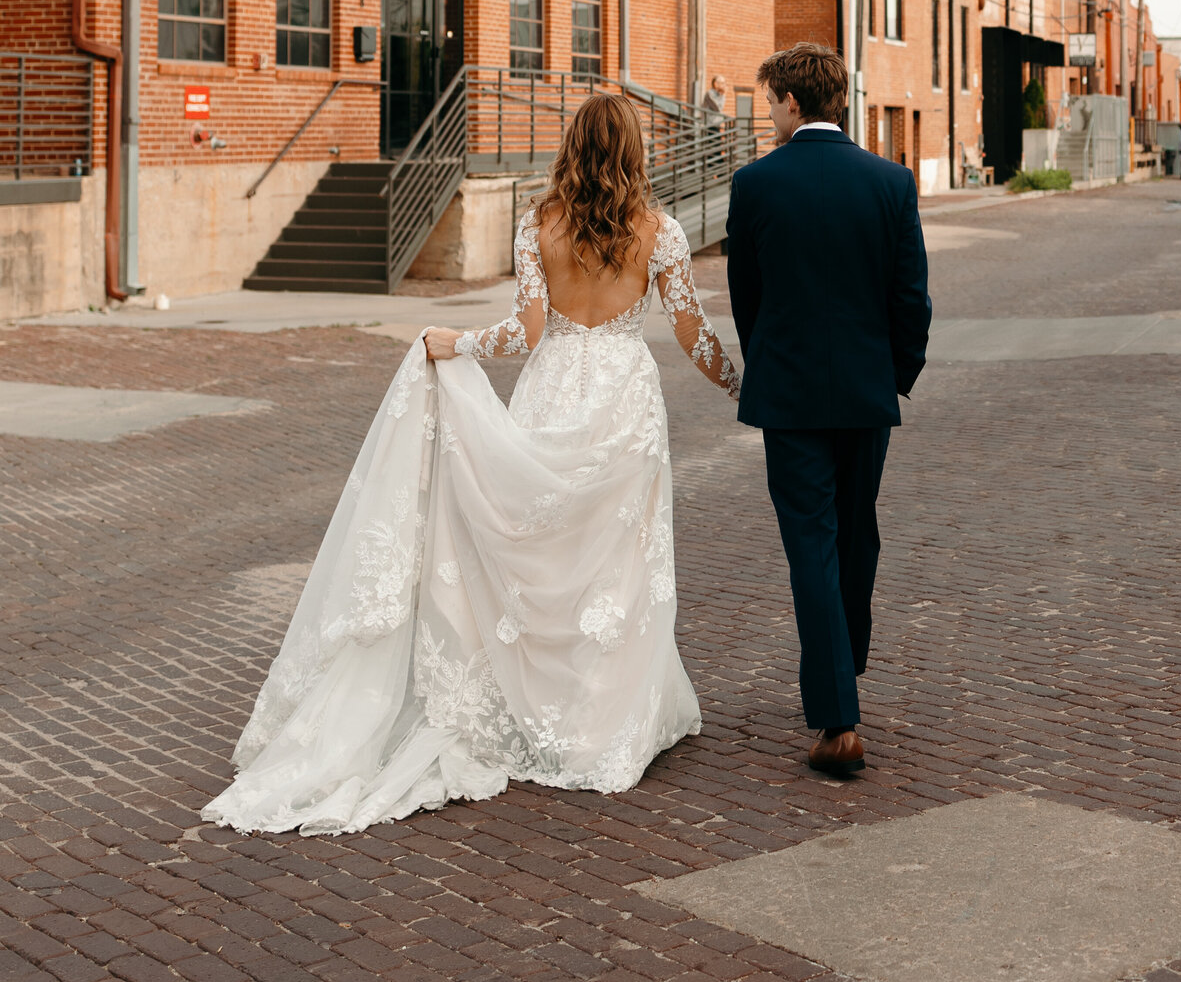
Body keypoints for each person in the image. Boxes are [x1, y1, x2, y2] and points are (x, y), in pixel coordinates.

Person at [202, 93, 740, 835]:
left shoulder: (538, 225)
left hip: (552, 391)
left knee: (533, 556)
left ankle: (536, 706)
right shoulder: (663, 233)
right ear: (635, 151)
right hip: (623, 405)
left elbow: (525, 331)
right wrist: (744, 384)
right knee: (617, 564)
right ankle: (600, 718)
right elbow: (691, 333)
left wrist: (459, 344)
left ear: (572, 148)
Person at [725, 43, 930, 779]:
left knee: (812, 543)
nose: (766, 112)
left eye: (767, 100)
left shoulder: (755, 184)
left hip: (790, 394)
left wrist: (769, 364)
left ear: (788, 101)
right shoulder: (890, 181)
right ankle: (845, 673)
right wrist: (893, 374)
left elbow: (746, 297)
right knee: (855, 534)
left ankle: (838, 718)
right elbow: (912, 298)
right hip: (868, 391)